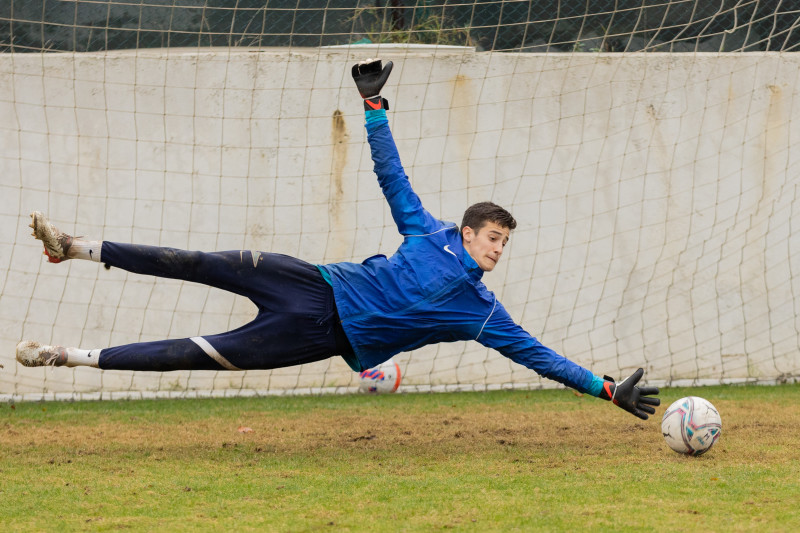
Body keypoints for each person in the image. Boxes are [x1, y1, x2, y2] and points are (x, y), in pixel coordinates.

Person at [17, 59, 660, 419]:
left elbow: (539, 356)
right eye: (492, 238)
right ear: (466, 233)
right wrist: (374, 108)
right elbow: (392, 176)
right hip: (311, 279)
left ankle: (64, 356)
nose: (497, 251)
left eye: (503, 245)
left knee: (189, 353)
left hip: (319, 336)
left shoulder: (481, 312)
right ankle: (72, 246)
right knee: (198, 261)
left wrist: (603, 388)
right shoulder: (427, 232)